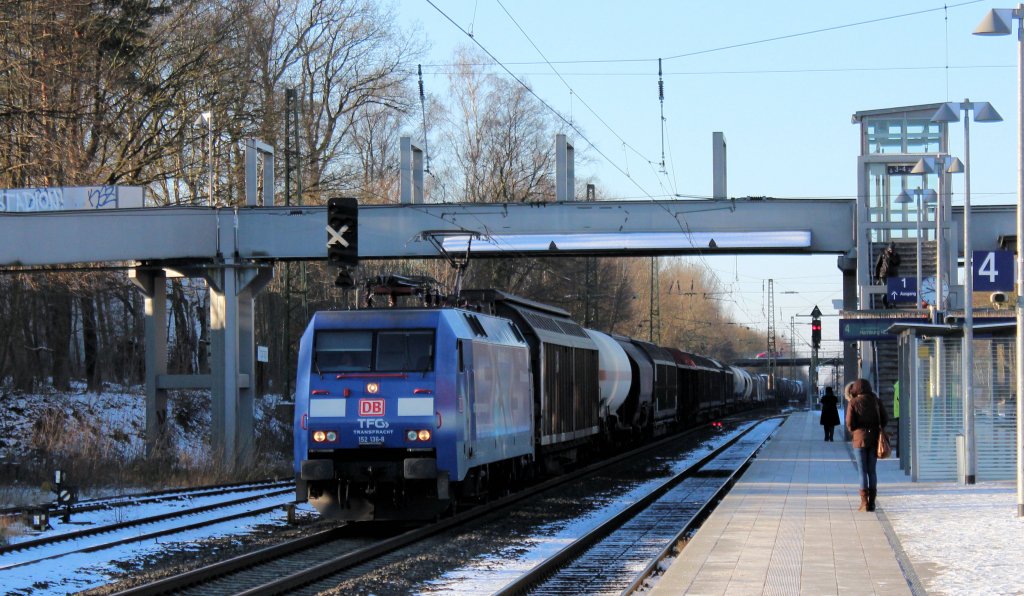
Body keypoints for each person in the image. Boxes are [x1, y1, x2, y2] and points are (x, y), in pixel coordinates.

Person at [846, 378, 889, 512]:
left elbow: (849, 424)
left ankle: (864, 502)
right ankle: (872, 503)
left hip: (859, 440)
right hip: (874, 440)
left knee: (862, 472)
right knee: (872, 471)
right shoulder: (876, 401)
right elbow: (885, 419)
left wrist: (856, 430)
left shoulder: (853, 402)